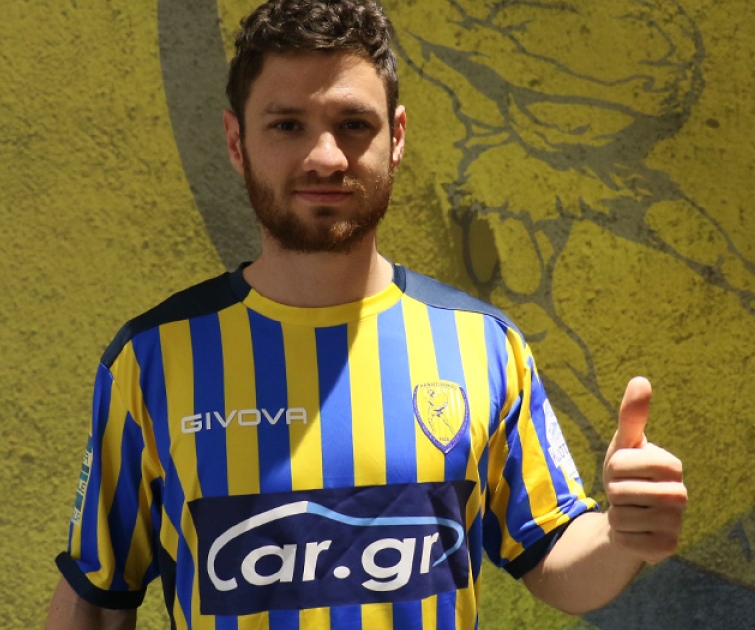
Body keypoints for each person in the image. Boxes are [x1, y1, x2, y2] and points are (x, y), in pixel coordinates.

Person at [44, 1, 687, 628]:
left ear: (396, 137)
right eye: (287, 125)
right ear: (237, 142)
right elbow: (98, 600)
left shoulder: (483, 346)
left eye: (354, 123)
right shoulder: (155, 358)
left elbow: (553, 555)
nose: (325, 156)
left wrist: (621, 535)